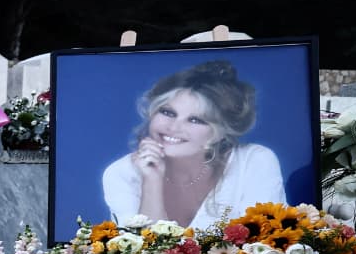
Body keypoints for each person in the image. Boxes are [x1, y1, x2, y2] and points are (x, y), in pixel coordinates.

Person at [100, 60, 286, 227]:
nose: (173, 127)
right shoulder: (121, 173)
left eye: (196, 120)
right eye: (168, 112)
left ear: (221, 133)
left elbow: (265, 243)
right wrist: (152, 181)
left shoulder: (254, 163)